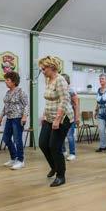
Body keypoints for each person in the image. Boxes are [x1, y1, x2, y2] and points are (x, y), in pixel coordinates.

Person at [38, 56, 74, 187]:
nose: (42, 70)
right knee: (42, 143)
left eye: (44, 68)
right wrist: (44, 115)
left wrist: (57, 119)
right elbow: (49, 100)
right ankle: (54, 166)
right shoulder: (48, 79)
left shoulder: (60, 80)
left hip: (63, 118)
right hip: (49, 117)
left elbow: (64, 101)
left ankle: (61, 176)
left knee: (54, 146)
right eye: (41, 68)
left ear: (52, 67)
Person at [0, 71, 29, 170]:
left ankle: (20, 160)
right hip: (9, 118)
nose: (6, 82)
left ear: (14, 81)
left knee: (17, 139)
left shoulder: (21, 92)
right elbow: (6, 106)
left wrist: (24, 116)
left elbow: (26, 105)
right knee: (6, 138)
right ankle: (14, 157)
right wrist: (1, 116)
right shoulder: (8, 92)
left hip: (18, 119)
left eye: (7, 80)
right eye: (6, 80)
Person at [61, 73, 80, 161]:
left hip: (70, 116)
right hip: (61, 116)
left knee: (70, 135)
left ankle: (72, 153)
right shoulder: (60, 90)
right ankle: (63, 151)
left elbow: (76, 105)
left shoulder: (71, 90)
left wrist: (77, 117)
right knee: (61, 135)